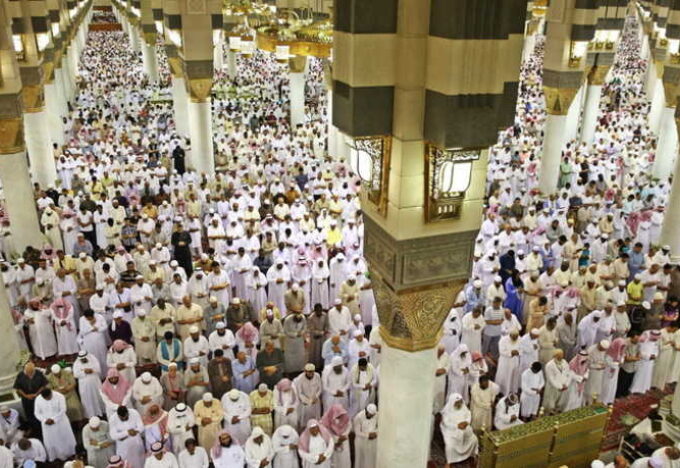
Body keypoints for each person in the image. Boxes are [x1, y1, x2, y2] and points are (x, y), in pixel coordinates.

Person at [34, 388, 77, 461]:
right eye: (45, 398)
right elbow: (37, 413)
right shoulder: (38, 399)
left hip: (60, 421)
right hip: (47, 424)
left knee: (65, 439)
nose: (47, 399)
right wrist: (44, 420)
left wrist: (54, 419)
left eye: (49, 397)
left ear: (51, 393)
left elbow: (63, 409)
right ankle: (55, 457)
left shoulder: (59, 396)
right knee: (51, 441)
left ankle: (70, 454)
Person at [439, 393, 477, 465]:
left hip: (464, 427)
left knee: (474, 439)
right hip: (451, 430)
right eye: (457, 402)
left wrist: (466, 422)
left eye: (460, 401)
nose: (459, 404)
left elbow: (468, 414)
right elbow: (446, 423)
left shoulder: (463, 406)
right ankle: (449, 462)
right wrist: (457, 426)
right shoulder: (448, 410)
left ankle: (472, 454)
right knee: (450, 446)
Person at [13, 361, 48, 432]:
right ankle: (33, 429)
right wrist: (26, 395)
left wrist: (36, 394)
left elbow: (43, 385)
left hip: (38, 397)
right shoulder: (20, 375)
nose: (30, 374)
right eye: (28, 372)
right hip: (26, 399)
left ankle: (43, 427)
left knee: (40, 412)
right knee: (29, 415)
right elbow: (18, 388)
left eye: (31, 372)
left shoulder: (39, 374)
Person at [320, 404, 351, 468]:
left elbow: (349, 426)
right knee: (334, 461)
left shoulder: (345, 417)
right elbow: (325, 432)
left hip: (344, 441)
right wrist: (336, 439)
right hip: (332, 442)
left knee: (344, 459)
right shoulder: (325, 420)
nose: (339, 416)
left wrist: (343, 435)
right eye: (338, 414)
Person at [294, 363, 322, 428]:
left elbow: (320, 388)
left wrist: (316, 397)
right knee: (305, 421)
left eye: (312, 372)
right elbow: (300, 393)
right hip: (305, 403)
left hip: (315, 402)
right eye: (309, 372)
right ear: (305, 371)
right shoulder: (300, 378)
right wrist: (307, 401)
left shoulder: (317, 376)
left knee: (315, 419)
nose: (311, 373)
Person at [544, 350, 570, 414]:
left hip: (563, 386)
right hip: (553, 387)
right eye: (559, 355)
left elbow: (568, 373)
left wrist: (566, 384)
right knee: (550, 403)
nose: (561, 356)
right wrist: (559, 387)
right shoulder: (549, 365)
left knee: (559, 403)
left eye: (562, 355)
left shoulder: (564, 362)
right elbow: (550, 378)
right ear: (555, 356)